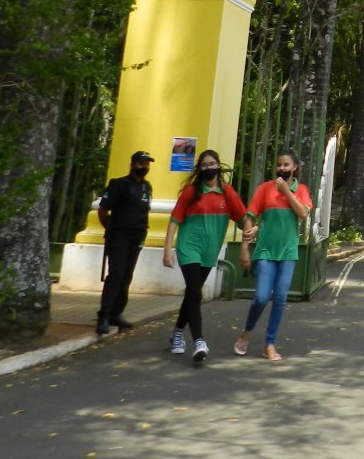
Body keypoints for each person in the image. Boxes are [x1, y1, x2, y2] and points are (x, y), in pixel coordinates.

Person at [162, 150, 252, 363]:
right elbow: (174, 220)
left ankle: (177, 334)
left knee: (192, 294)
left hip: (209, 252)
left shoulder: (227, 193)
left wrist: (247, 240)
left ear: (218, 166)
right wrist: (167, 249)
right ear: (199, 169)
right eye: (204, 165)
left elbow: (244, 219)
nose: (208, 168)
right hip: (189, 248)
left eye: (212, 164)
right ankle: (199, 341)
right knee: (195, 292)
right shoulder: (190, 193)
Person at [235, 150, 313, 362]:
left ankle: (269, 344)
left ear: (294, 167)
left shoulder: (302, 190)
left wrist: (287, 191)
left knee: (280, 298)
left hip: (288, 252)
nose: (281, 168)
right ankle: (247, 331)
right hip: (266, 251)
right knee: (261, 296)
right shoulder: (264, 189)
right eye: (279, 165)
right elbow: (250, 217)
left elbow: (303, 213)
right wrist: (245, 246)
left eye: (286, 165)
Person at [95, 150, 154, 336]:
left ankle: (116, 313)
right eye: (141, 163)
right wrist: (110, 228)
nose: (144, 167)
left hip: (137, 236)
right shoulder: (119, 184)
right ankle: (104, 315)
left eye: (147, 164)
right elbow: (103, 210)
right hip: (119, 235)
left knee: (127, 275)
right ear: (132, 165)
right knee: (116, 274)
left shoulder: (147, 187)